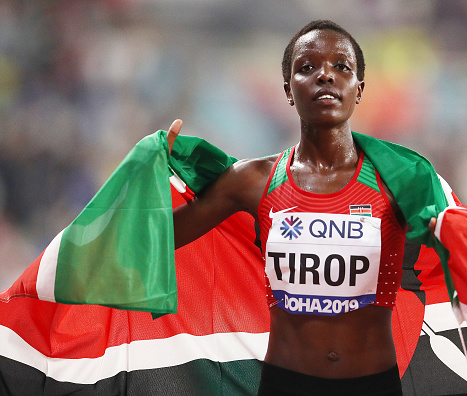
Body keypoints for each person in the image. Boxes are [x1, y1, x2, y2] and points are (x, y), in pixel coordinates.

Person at [167, 20, 426, 396]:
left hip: (374, 385)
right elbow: (156, 240)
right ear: (288, 91)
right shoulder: (254, 180)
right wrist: (142, 176)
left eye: (342, 67)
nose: (325, 76)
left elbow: (455, 248)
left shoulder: (398, 179)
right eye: (307, 67)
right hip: (286, 385)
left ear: (359, 89)